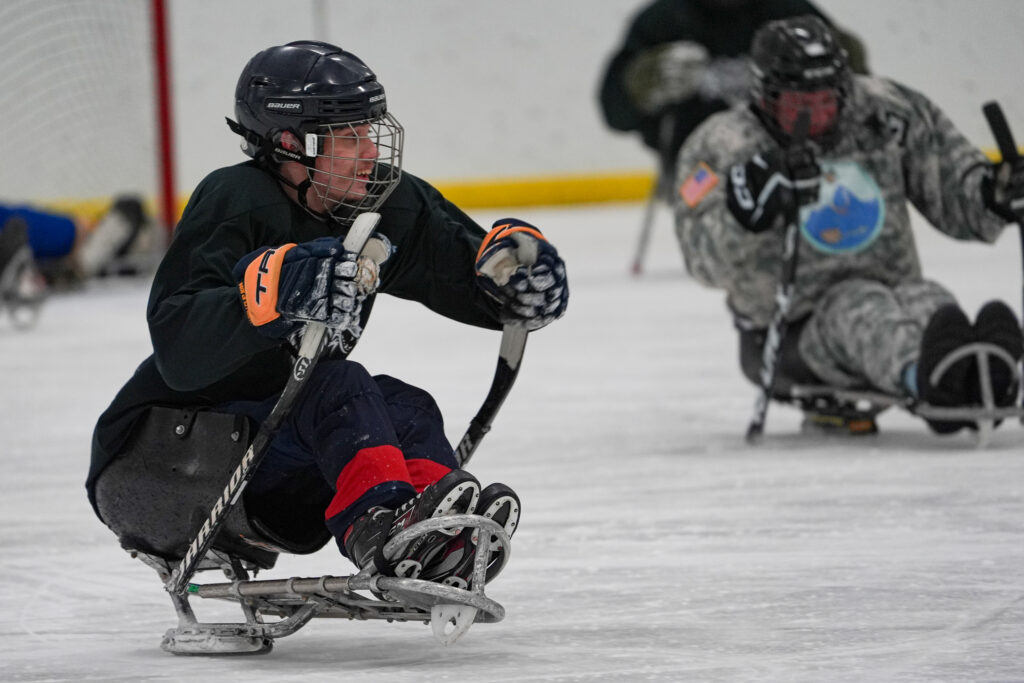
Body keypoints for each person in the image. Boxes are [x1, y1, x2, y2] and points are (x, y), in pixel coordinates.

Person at [87, 41, 568, 587]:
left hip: (262, 459)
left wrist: (516, 285)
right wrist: (276, 291)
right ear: (291, 144)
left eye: (371, 130)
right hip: (154, 461)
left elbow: (466, 269)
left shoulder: (381, 203)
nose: (370, 151)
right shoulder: (237, 198)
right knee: (338, 385)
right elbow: (180, 347)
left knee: (406, 408)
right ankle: (380, 531)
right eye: (350, 137)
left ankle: (436, 533)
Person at [673, 15, 1024, 434]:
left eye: (829, 99)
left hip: (895, 285)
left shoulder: (885, 112)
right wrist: (747, 216)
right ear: (765, 96)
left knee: (929, 301)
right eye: (800, 105)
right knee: (863, 312)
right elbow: (700, 258)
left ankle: (977, 370)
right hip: (789, 328)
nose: (819, 115)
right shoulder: (721, 146)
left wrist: (991, 194)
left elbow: (950, 186)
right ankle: (929, 380)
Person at [598, 0, 868, 190]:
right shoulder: (663, 20)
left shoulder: (789, 13)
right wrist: (642, 83)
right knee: (704, 202)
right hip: (697, 167)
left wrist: (847, 62)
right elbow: (616, 115)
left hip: (790, 156)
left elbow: (860, 99)